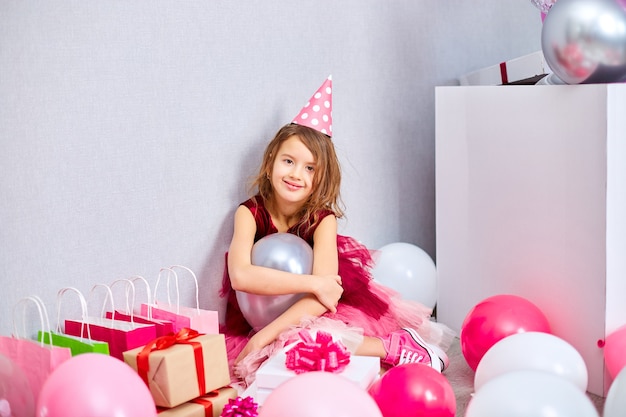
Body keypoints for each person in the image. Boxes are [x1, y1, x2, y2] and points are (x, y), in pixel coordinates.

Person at [219, 76, 454, 388]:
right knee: (286, 357)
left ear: (322, 177)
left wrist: (265, 335)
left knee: (315, 339)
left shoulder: (322, 220)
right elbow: (241, 277)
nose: (295, 174)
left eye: (309, 168)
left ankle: (394, 347)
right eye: (288, 161)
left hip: (318, 309)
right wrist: (310, 283)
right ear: (269, 163)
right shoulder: (249, 213)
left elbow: (324, 297)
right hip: (267, 311)